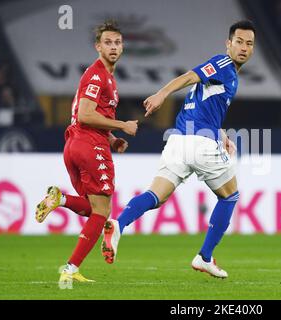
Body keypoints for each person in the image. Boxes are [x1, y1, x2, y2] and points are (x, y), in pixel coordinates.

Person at [101, 20, 256, 279]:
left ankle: (119, 224)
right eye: (238, 41)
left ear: (253, 49)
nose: (243, 47)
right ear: (228, 44)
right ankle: (204, 257)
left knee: (156, 195)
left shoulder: (226, 74)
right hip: (199, 143)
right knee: (230, 196)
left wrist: (220, 134)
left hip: (178, 141)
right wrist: (162, 94)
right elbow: (189, 76)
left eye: (249, 44)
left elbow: (205, 103)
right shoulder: (223, 63)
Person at [34, 20, 138, 284]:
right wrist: (122, 125)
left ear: (122, 46)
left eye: (117, 43)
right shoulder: (97, 74)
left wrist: (113, 138)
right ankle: (70, 269)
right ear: (98, 46)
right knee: (102, 212)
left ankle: (61, 200)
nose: (113, 47)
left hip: (77, 144)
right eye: (108, 43)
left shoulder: (107, 77)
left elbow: (92, 115)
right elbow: (85, 114)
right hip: (88, 144)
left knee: (95, 209)